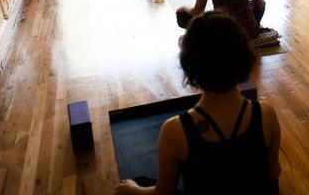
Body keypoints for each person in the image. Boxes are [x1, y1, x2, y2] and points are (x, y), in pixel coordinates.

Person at [115, 12, 282, 195]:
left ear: (190, 68)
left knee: (137, 183)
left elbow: (162, 192)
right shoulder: (266, 114)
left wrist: (132, 190)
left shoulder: (174, 130)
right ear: (243, 59)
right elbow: (273, 173)